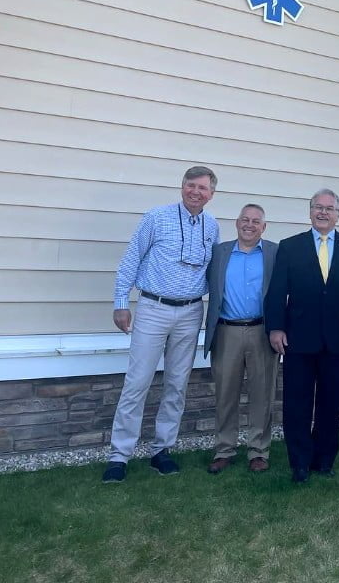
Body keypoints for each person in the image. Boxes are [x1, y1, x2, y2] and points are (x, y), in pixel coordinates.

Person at [102, 166, 220, 483]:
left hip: (191, 311)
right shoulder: (157, 216)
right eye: (191, 185)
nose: (196, 192)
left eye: (203, 188)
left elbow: (214, 271)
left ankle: (162, 450)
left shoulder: (212, 226)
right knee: (137, 382)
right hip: (153, 307)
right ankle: (119, 456)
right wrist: (121, 303)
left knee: (176, 384)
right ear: (182, 187)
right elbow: (131, 258)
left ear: (212, 194)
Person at [264, 189, 339, 483]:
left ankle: (324, 459)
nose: (323, 213)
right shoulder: (290, 246)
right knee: (296, 402)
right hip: (298, 338)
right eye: (318, 208)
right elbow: (277, 291)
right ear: (309, 211)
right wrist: (275, 327)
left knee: (331, 402)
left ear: (338, 213)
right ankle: (299, 461)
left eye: (329, 209)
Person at [203, 204, 279, 474]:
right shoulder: (219, 253)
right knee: (225, 393)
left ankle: (258, 450)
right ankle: (224, 449)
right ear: (236, 223)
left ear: (264, 227)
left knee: (262, 393)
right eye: (245, 220)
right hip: (226, 331)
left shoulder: (274, 253)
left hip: (262, 331)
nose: (249, 225)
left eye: (256, 221)